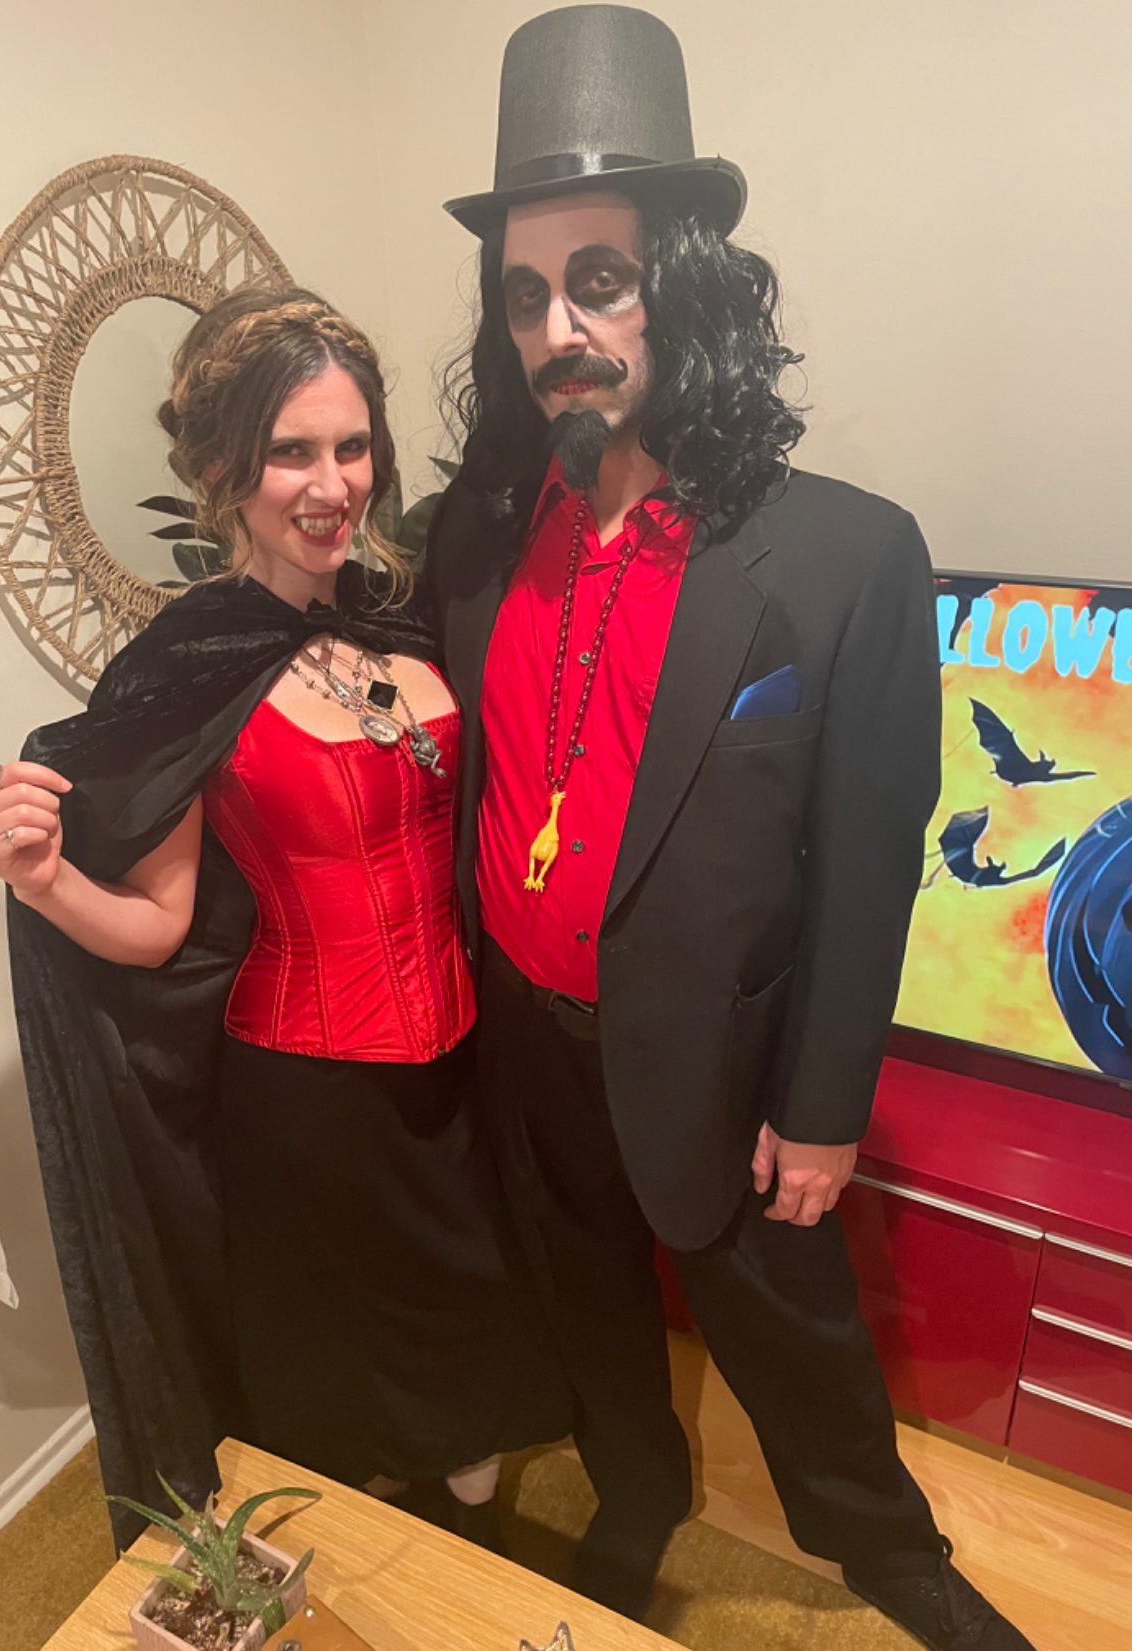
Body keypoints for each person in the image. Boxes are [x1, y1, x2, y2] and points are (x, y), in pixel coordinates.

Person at [429, 7, 1035, 1648]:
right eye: (524, 295)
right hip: (528, 1040)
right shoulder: (474, 533)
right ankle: (635, 1492)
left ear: (681, 283)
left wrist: (822, 1108)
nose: (558, 328)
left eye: (597, 280)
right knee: (587, 1300)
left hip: (726, 1058)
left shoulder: (845, 555)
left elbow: (869, 860)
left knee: (788, 1330)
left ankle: (883, 1547)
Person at [0, 287, 568, 1549]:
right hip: (305, 1086)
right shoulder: (192, 663)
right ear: (225, 471)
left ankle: (470, 1545)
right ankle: (372, 1564)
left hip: (462, 1059)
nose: (330, 484)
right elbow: (158, 925)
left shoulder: (405, 618)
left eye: (351, 446)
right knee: (342, 1347)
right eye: (291, 451)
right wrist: (42, 879)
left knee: (472, 1309)